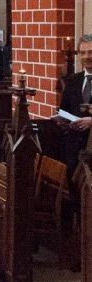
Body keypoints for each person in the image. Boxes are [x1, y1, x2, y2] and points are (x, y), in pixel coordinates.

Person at [59, 34, 92, 211]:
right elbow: (63, 109)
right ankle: (79, 228)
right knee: (75, 190)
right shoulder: (73, 80)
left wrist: (91, 121)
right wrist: (65, 120)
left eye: (91, 52)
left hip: (91, 144)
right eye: (84, 52)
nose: (87, 56)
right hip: (74, 144)